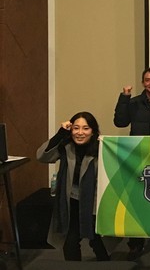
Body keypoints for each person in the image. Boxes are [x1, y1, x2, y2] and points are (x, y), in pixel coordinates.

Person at [113, 66, 150, 259]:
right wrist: (124, 97)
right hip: (136, 158)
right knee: (136, 201)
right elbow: (120, 122)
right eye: (147, 80)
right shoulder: (134, 103)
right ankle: (135, 243)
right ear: (142, 83)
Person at [37, 112, 109, 261]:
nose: (80, 132)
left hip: (94, 203)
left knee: (96, 240)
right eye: (76, 128)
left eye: (86, 128)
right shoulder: (65, 146)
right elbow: (42, 156)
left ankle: (106, 263)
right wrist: (60, 134)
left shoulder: (101, 149)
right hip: (71, 202)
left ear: (93, 131)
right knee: (70, 241)